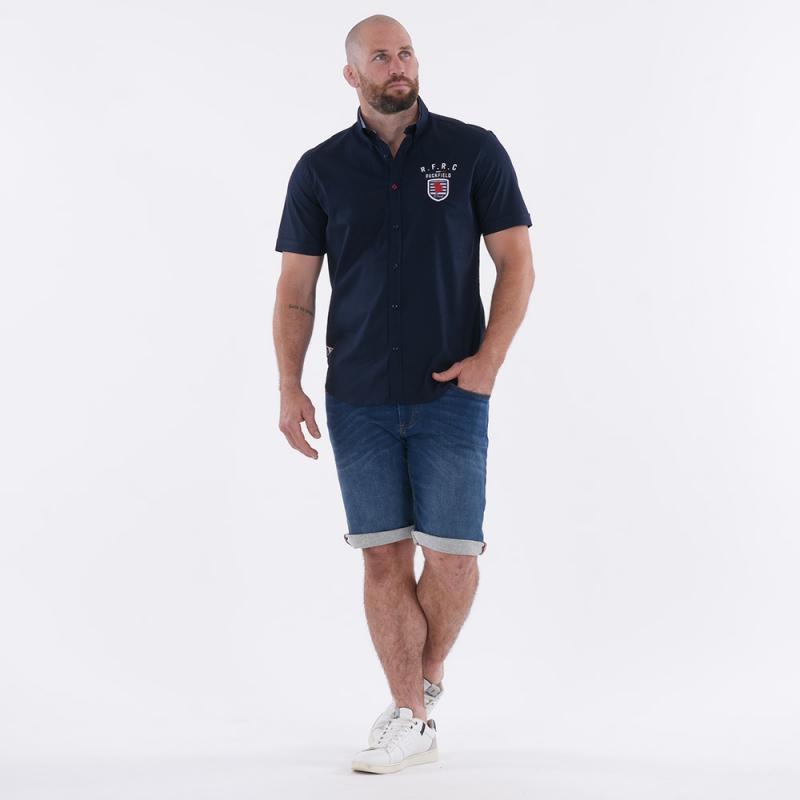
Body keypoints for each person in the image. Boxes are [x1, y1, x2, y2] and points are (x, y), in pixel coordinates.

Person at [273, 14, 534, 774]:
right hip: (357, 398)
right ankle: (412, 717)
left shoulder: (473, 151)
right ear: (352, 75)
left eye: (407, 52)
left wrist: (489, 362)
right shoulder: (318, 170)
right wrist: (288, 385)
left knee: (454, 558)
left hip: (452, 393)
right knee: (382, 559)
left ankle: (423, 675)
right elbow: (295, 291)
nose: (398, 66)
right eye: (381, 56)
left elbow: (517, 263)